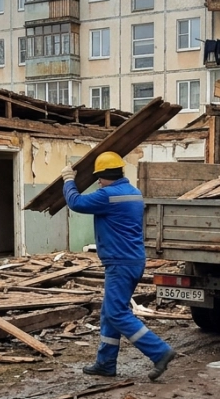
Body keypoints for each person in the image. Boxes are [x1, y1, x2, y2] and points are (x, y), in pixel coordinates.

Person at [62, 152, 177, 381]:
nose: (98, 182)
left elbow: (76, 203)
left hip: (120, 262)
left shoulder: (108, 196)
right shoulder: (133, 193)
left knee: (116, 312)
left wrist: (68, 180)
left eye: (99, 177)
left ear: (105, 176)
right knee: (109, 313)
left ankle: (160, 351)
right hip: (133, 260)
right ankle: (105, 363)